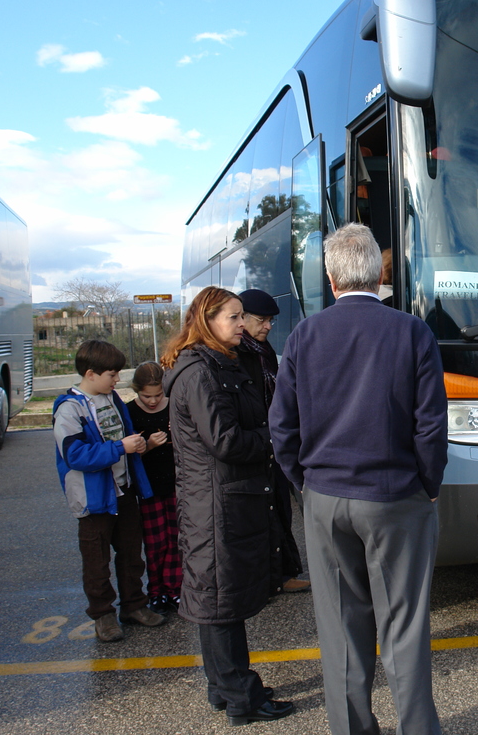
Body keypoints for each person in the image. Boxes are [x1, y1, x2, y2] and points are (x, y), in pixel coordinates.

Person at [270, 223, 448, 735]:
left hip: (326, 496)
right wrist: (428, 484)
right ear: (377, 272)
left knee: (343, 631)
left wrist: (306, 483)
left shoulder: (304, 335)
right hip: (395, 496)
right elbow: (431, 426)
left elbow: (282, 425)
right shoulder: (413, 331)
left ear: (330, 277)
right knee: (404, 628)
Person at [161, 287, 295, 725]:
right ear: (207, 320)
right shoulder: (201, 371)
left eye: (242, 316)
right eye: (234, 317)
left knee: (214, 597)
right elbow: (225, 440)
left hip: (216, 498)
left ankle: (223, 687)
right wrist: (275, 440)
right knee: (221, 601)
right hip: (216, 502)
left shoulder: (216, 364)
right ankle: (242, 696)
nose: (242, 324)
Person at [52, 340, 167, 643]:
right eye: (112, 374)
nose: (117, 380)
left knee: (131, 553)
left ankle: (134, 606)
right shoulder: (69, 409)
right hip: (94, 499)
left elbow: (123, 438)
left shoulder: (111, 398)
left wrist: (136, 445)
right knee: (96, 560)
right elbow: (74, 456)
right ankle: (103, 615)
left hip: (124, 490)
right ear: (91, 374)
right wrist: (120, 447)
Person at [236, 288, 310, 594]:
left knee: (280, 507)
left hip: (273, 441)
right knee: (261, 514)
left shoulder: (262, 350)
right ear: (243, 319)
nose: (268, 326)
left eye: (270, 320)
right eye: (262, 320)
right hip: (257, 443)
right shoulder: (239, 352)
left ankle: (283, 573)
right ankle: (268, 578)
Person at [126, 361, 181, 614]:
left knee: (176, 538)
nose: (152, 401)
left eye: (158, 395)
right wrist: (148, 445)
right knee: (154, 542)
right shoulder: (130, 413)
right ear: (137, 391)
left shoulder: (174, 407)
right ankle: (156, 590)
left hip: (175, 484)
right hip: (148, 488)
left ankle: (175, 587)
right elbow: (127, 456)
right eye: (146, 396)